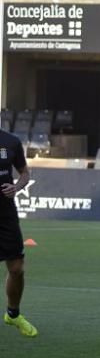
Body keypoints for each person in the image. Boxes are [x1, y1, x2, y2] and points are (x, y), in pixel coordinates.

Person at [0, 130, 36, 338]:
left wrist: (16, 187)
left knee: (17, 268)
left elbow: (25, 173)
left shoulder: (11, 142)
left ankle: (13, 314)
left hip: (5, 214)